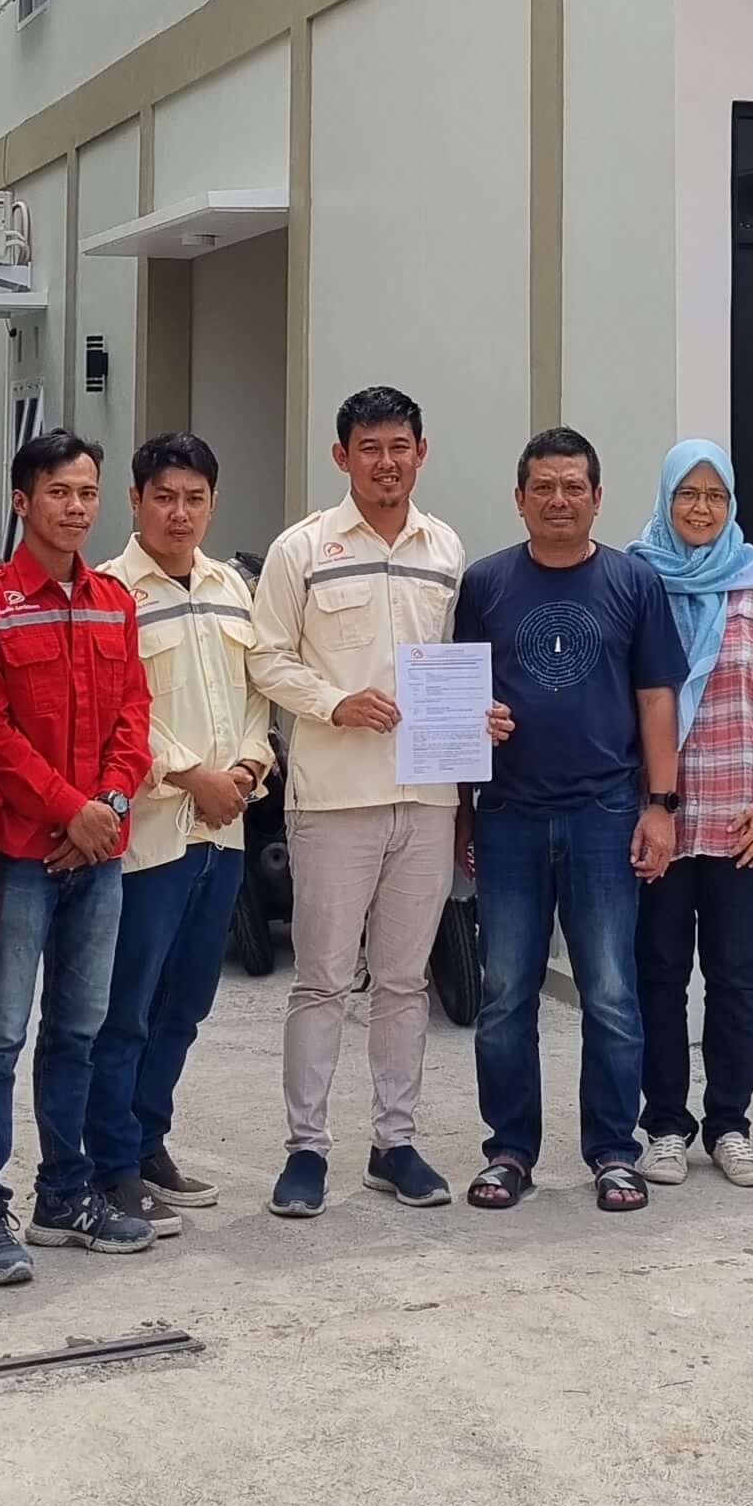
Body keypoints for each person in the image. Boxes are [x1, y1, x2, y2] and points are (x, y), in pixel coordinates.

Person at [247, 386, 468, 1218]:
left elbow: (453, 660)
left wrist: (475, 714)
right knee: (323, 981)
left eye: (399, 446)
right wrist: (333, 702)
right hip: (335, 799)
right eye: (369, 447)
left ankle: (394, 1144)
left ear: (422, 452)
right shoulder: (302, 548)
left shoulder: (445, 549)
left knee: (405, 982)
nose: (386, 462)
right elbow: (265, 658)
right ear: (341, 456)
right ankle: (306, 1150)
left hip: (428, 795)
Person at [458, 430, 682, 1216]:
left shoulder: (634, 582)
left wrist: (661, 806)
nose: (559, 500)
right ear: (519, 498)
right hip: (508, 816)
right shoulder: (485, 584)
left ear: (597, 496)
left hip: (605, 815)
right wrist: (463, 811)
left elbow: (657, 699)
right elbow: (460, 702)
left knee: (611, 993)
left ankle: (614, 1153)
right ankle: (509, 1150)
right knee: (504, 994)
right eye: (544, 487)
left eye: (573, 487)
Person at [0, 428, 155, 1276]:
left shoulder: (113, 602)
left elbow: (134, 716)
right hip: (20, 857)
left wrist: (107, 807)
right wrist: (71, 810)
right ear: (22, 501)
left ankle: (64, 1195)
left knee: (78, 1031)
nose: (75, 508)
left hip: (98, 856)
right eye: (59, 493)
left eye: (87, 493)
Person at [91, 432, 273, 1234]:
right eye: (163, 497)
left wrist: (249, 767)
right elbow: (112, 708)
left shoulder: (232, 587)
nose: (179, 512)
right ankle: (109, 1166)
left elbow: (256, 695)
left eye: (194, 498)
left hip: (222, 834)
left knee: (186, 1003)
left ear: (213, 503)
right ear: (135, 501)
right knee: (126, 1006)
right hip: (150, 835)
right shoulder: (108, 591)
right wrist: (190, 774)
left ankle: (147, 1142)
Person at [631, 439, 753, 1190]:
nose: (701, 509)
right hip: (660, 820)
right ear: (666, 498)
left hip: (742, 823)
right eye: (688, 494)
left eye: (715, 496)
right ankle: (666, 1125)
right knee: (659, 974)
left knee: (736, 977)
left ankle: (730, 1123)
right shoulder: (636, 576)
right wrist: (644, 805)